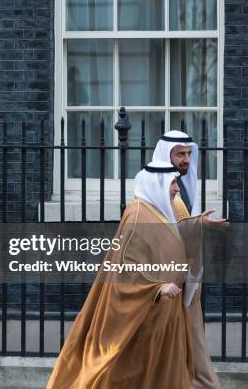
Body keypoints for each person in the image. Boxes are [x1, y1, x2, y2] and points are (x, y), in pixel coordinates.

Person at [46, 161, 194, 389]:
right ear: (157, 184)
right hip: (145, 314)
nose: (176, 188)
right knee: (126, 373)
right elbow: (126, 268)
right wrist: (157, 288)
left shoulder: (159, 213)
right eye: (173, 182)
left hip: (165, 314)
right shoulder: (137, 216)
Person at [153, 130, 227, 389]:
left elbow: (178, 227)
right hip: (168, 286)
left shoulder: (177, 189)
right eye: (180, 154)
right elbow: (161, 231)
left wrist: (197, 224)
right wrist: (199, 223)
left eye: (188, 154)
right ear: (166, 155)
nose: (186, 160)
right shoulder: (160, 193)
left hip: (185, 281)